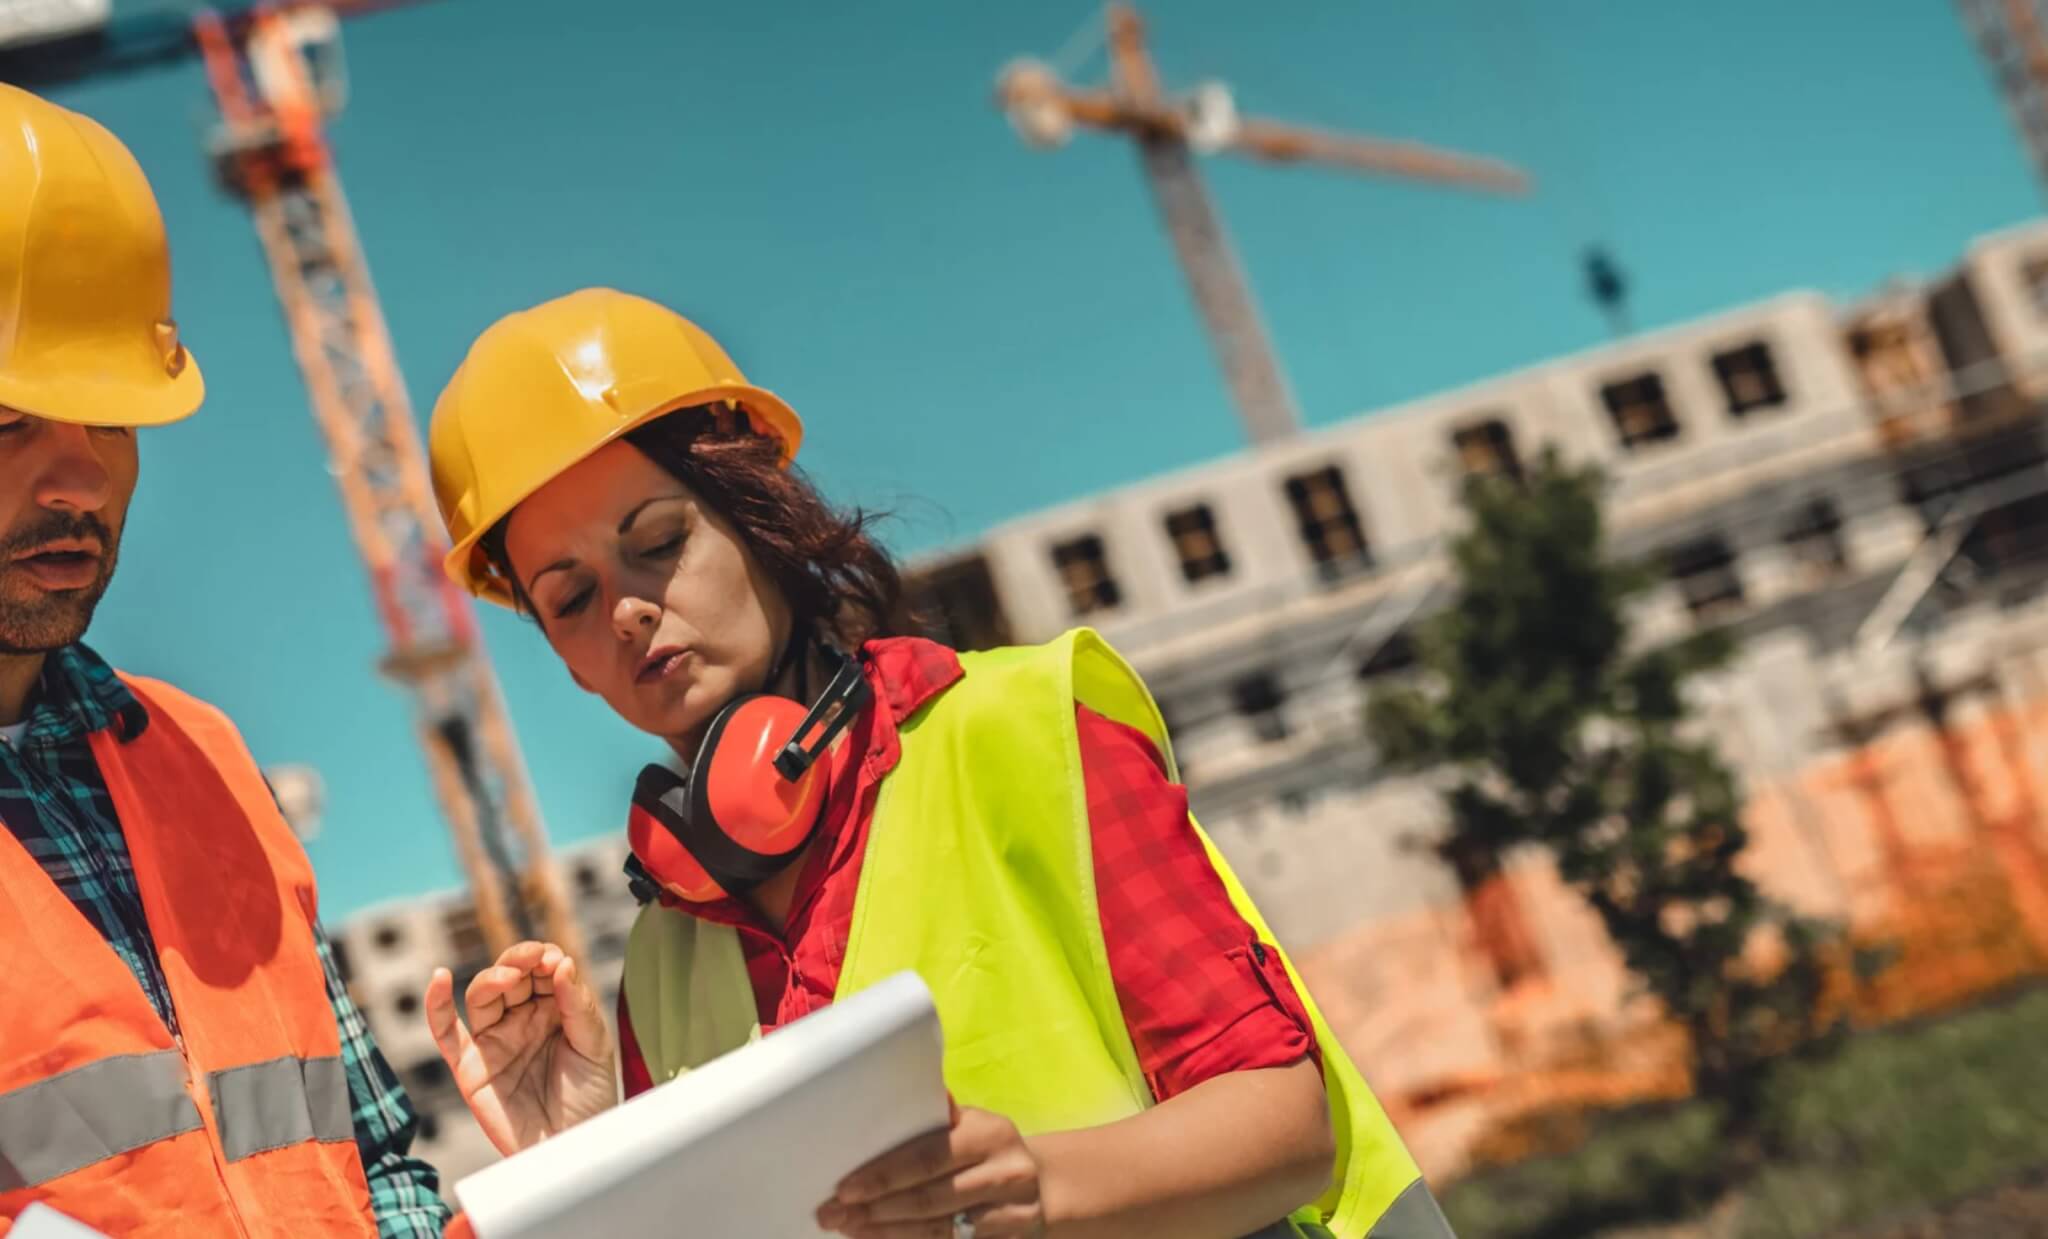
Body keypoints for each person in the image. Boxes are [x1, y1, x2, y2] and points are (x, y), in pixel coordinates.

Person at [418, 288, 1452, 1238]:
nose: (628, 608)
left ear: (756, 516)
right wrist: (588, 1171)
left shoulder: (1017, 734)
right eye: (569, 596)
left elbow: (1287, 1127)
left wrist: (1043, 1188)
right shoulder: (663, 958)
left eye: (656, 540)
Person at [0, 84, 449, 1237]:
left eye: (108, 420)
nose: (78, 482)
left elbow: (374, 1162)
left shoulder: (199, 752)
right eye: (10, 425)